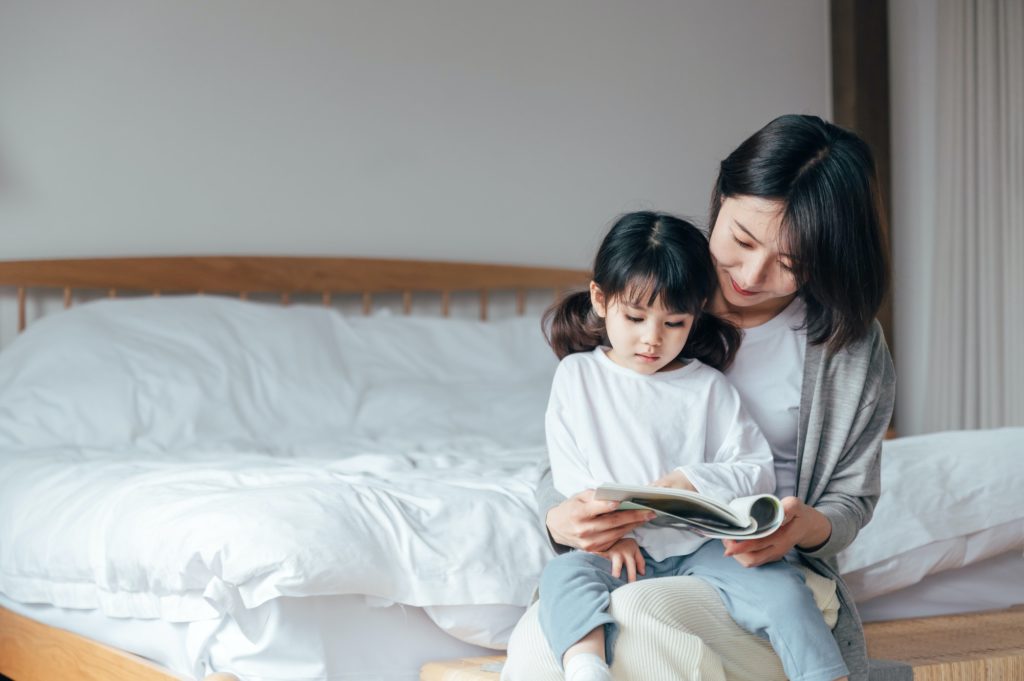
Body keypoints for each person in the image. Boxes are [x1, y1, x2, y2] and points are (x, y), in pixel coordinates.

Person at [503, 114, 895, 681]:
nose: (752, 275)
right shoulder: (654, 295)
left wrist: (803, 526)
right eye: (741, 239)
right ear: (720, 200)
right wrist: (562, 518)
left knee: (636, 620)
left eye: (792, 263)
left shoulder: (848, 348)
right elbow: (575, 448)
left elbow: (851, 502)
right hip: (630, 550)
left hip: (752, 562)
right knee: (545, 642)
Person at [537, 211, 852, 681]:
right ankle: (586, 669)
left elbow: (754, 467)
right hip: (617, 546)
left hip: (702, 545)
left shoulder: (707, 387)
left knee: (783, 589)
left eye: (675, 322)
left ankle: (827, 674)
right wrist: (611, 533)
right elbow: (568, 468)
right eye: (635, 317)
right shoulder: (578, 376)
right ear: (601, 300)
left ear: (698, 313)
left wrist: (693, 480)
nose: (652, 339)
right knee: (562, 580)